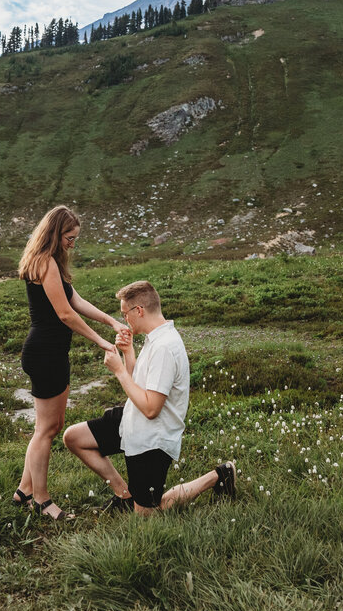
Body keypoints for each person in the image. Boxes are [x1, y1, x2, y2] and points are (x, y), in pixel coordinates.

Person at [63, 280, 236, 515]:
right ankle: (124, 494)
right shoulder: (154, 337)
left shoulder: (164, 347)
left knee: (147, 515)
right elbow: (139, 384)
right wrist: (128, 353)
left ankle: (218, 476)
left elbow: (152, 409)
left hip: (152, 439)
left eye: (125, 314)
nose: (125, 320)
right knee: (73, 438)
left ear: (139, 311)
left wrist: (119, 371)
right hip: (131, 420)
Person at [14, 205, 127, 520]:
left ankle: (24, 490)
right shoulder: (45, 263)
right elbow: (65, 314)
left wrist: (112, 322)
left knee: (50, 427)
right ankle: (41, 500)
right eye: (69, 237)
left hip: (50, 352)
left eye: (75, 238)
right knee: (46, 430)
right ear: (55, 233)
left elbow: (76, 300)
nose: (72, 244)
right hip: (45, 353)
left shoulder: (52, 263)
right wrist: (102, 342)